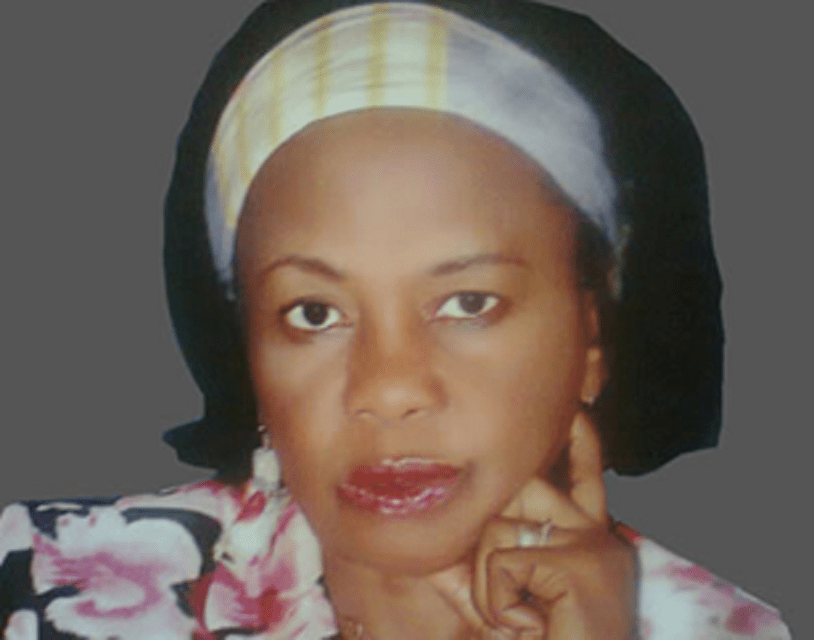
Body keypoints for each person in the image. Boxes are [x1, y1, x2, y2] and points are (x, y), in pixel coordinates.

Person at [0, 1, 792, 638]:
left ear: (591, 338)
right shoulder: (35, 589)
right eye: (314, 313)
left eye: (468, 303)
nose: (388, 389)